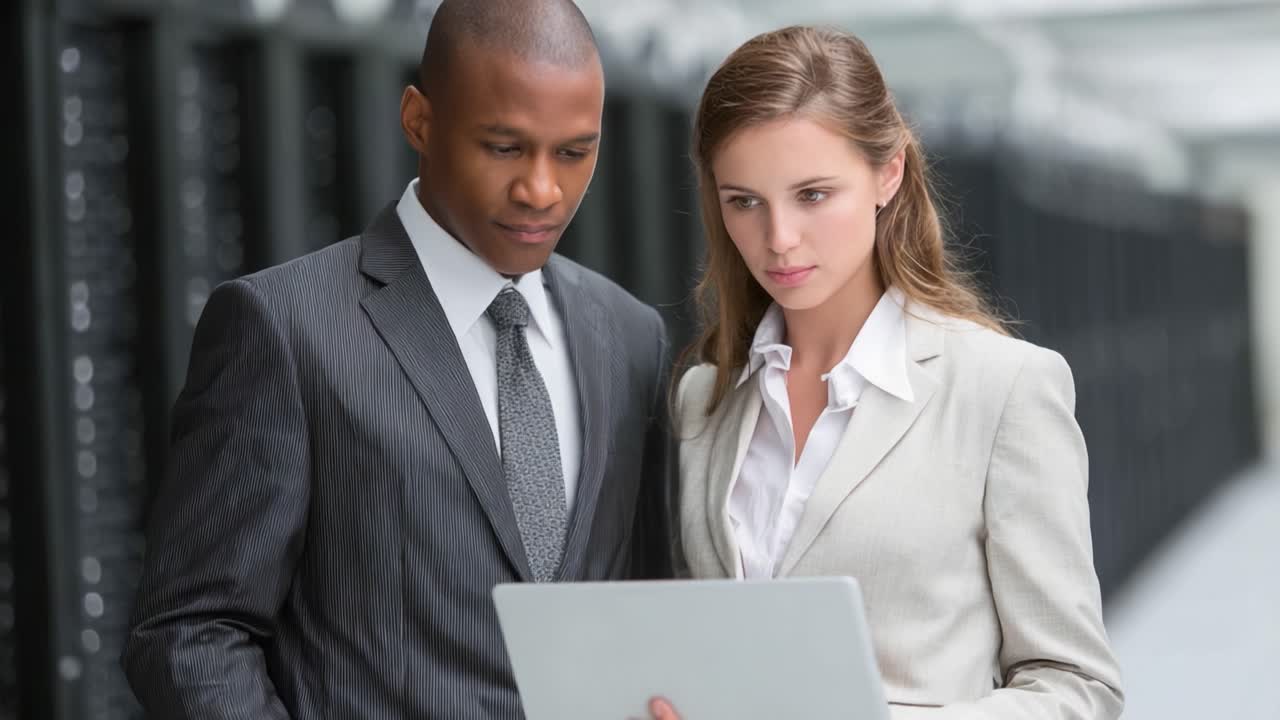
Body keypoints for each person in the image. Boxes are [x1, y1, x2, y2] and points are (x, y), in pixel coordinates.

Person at [122, 1, 674, 716]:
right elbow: (188, 632)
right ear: (419, 120)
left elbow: (653, 607)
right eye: (505, 147)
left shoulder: (631, 337)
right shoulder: (286, 328)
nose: (543, 190)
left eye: (574, 152)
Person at [655, 25, 1123, 720]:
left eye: (812, 194)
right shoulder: (705, 400)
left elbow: (1077, 687)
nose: (778, 238)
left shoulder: (1004, 389)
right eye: (744, 201)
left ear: (888, 174)